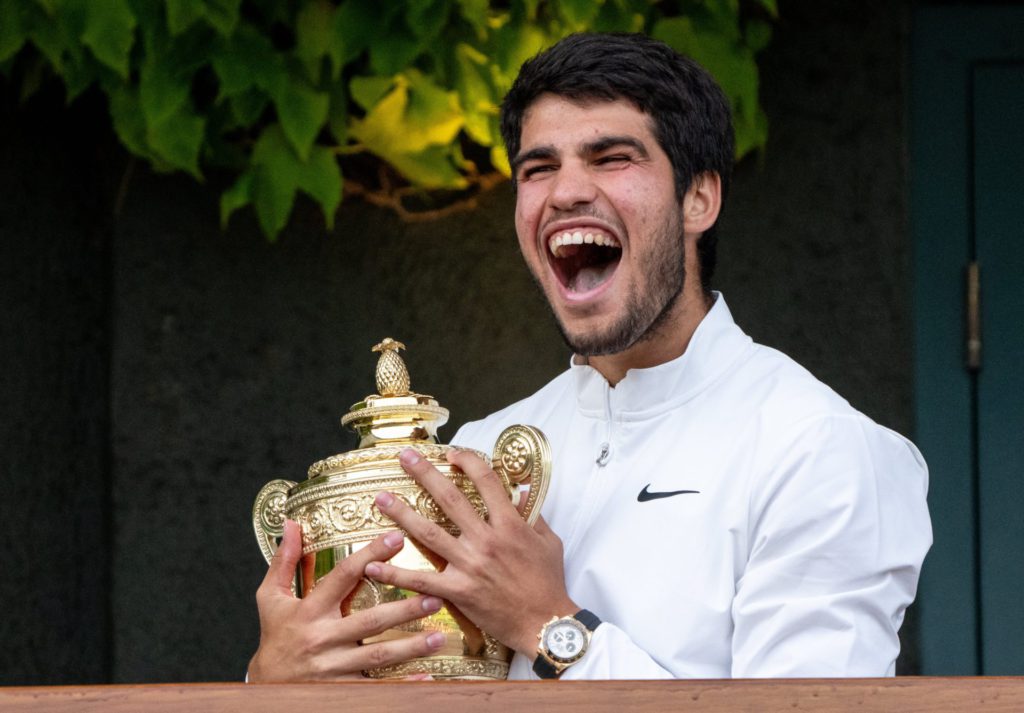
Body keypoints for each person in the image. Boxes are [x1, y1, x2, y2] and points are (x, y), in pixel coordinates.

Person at [247, 32, 931, 681]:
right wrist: (277, 679)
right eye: (539, 168)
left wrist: (551, 628)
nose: (566, 190)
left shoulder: (821, 451)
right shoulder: (475, 450)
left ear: (700, 197)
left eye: (612, 158)